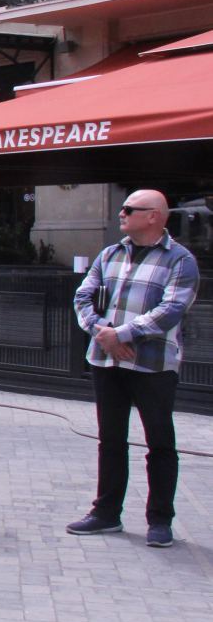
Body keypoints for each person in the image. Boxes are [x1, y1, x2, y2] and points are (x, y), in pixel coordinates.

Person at [69, 189, 200, 547]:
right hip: (106, 360)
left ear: (154, 216)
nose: (121, 214)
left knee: (160, 442)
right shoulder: (110, 253)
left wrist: (121, 334)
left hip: (153, 365)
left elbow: (171, 309)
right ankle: (106, 513)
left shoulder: (180, 260)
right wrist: (103, 333)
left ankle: (160, 520)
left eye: (129, 209)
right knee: (110, 439)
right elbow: (83, 296)